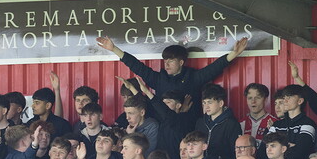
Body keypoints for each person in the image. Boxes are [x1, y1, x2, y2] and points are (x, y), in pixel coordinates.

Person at [95, 35, 248, 119]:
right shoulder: (158, 79)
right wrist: (114, 49)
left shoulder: (193, 77)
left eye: (171, 61)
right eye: (165, 60)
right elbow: (137, 66)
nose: (166, 64)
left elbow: (214, 68)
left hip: (188, 129)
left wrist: (234, 53)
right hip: (163, 128)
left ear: (181, 62)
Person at [194, 83, 241, 159]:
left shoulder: (231, 124)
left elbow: (235, 151)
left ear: (221, 103)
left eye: (210, 102)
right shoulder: (200, 122)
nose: (206, 106)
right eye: (204, 103)